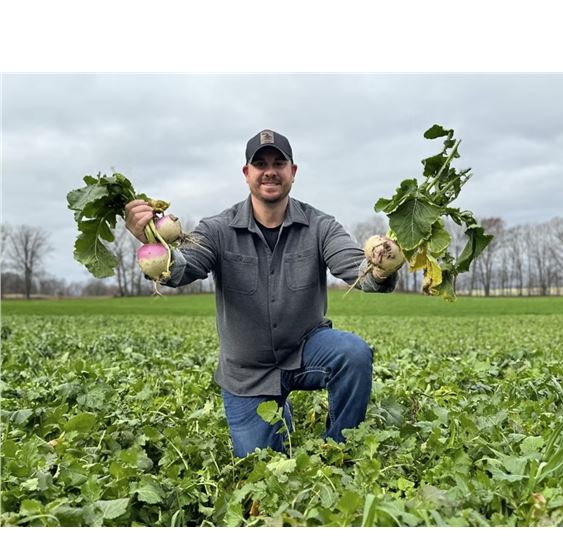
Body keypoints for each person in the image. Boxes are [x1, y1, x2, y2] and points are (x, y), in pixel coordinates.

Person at [125, 129, 401, 457]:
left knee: (353, 354)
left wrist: (382, 266)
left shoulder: (320, 226)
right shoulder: (217, 229)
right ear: (247, 173)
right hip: (247, 373)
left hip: (305, 350)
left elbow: (356, 267)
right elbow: (187, 266)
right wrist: (154, 246)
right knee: (261, 465)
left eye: (278, 163)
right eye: (260, 164)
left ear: (292, 172)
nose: (270, 171)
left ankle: (340, 449)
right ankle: (275, 407)